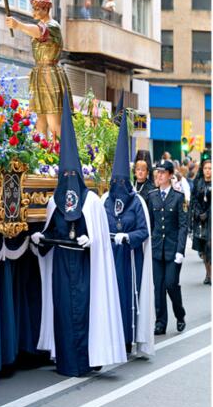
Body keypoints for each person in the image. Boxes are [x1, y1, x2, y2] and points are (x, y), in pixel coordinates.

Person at [32, 92, 126, 376]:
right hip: (61, 266)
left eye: (72, 176)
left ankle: (86, 360)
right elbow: (49, 235)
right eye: (65, 176)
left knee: (84, 310)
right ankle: (66, 362)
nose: (68, 182)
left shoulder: (92, 203)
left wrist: (92, 241)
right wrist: (40, 241)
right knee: (63, 311)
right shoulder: (55, 202)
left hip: (85, 268)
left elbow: (100, 240)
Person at [102, 115, 154, 357]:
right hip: (110, 257)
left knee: (127, 298)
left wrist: (128, 237)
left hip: (130, 260)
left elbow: (144, 231)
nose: (119, 184)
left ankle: (128, 339)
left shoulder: (137, 202)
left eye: (122, 181)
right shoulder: (104, 201)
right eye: (116, 181)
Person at [5, 0, 72, 139]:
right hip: (39, 73)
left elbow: (40, 32)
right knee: (39, 120)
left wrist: (18, 25)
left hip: (49, 73)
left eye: (37, 9)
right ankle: (41, 155)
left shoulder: (53, 26)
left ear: (46, 9)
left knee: (53, 120)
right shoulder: (40, 26)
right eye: (33, 8)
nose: (33, 12)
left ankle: (59, 154)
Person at [148, 160, 189, 334]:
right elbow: (150, 223)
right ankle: (160, 322)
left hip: (173, 250)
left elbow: (183, 226)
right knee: (158, 287)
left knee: (171, 284)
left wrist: (181, 250)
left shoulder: (179, 197)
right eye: (158, 172)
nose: (159, 175)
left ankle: (180, 315)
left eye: (163, 173)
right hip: (157, 249)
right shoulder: (152, 196)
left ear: (171, 175)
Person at [191, 154, 212, 284]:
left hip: (211, 219)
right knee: (204, 249)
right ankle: (208, 273)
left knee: (211, 245)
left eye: (210, 168)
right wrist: (199, 213)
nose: (208, 170)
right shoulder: (198, 182)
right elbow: (193, 199)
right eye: (206, 168)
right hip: (200, 220)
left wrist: (208, 213)